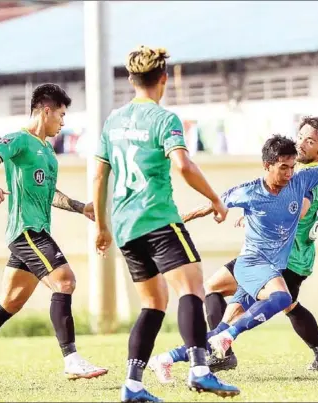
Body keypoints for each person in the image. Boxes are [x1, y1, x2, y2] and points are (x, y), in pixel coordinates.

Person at [92, 46, 239, 403]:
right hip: (157, 219)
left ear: (130, 79)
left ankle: (133, 384)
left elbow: (99, 176)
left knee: (154, 303)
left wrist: (101, 226)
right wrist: (216, 200)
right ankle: (201, 371)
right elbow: (183, 166)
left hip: (126, 227)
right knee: (192, 290)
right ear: (164, 79)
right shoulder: (164, 119)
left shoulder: (113, 121)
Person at [147, 117, 318, 383]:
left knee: (263, 310)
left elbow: (300, 210)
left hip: (286, 260)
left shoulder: (308, 178)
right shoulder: (303, 174)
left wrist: (264, 216)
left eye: (310, 141)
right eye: (300, 136)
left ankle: (187, 355)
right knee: (230, 297)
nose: (301, 143)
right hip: (276, 257)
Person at [173, 134, 318, 362]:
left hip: (283, 262)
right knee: (255, 299)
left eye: (292, 167)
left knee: (275, 305)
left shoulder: (303, 181)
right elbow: (215, 203)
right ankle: (220, 350)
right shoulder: (249, 191)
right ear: (267, 166)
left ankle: (178, 356)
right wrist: (182, 218)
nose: (289, 173)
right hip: (255, 263)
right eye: (283, 168)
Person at [0, 84, 107, 393]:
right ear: (45, 110)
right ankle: (72, 359)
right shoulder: (20, 140)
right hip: (26, 231)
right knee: (65, 281)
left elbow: (50, 195)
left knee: (9, 302)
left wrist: (81, 207)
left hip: (36, 232)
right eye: (61, 115)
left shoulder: (49, 153)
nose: (63, 123)